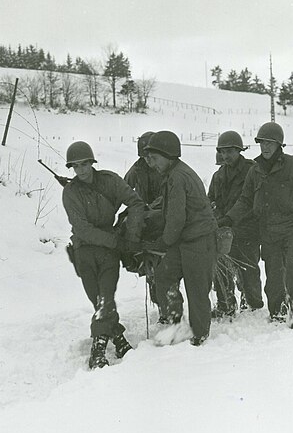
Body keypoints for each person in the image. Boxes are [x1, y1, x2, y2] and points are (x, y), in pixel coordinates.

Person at [221, 122, 293, 327]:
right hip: (268, 231)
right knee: (274, 275)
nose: (266, 147)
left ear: (279, 145)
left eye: (270, 143)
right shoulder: (255, 171)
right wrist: (229, 218)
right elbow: (245, 200)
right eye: (262, 143)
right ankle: (277, 310)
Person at [61, 141, 146, 369]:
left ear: (91, 163)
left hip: (109, 252)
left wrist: (131, 235)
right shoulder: (70, 193)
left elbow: (136, 203)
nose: (81, 170)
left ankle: (98, 350)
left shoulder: (109, 181)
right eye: (76, 166)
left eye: (84, 164)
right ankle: (118, 338)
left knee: (104, 298)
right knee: (96, 298)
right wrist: (117, 241)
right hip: (84, 251)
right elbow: (82, 229)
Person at [142, 130, 217, 346]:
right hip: (185, 240)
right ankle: (176, 323)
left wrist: (163, 242)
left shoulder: (178, 177)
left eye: (155, 159)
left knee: (197, 289)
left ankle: (199, 336)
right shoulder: (172, 175)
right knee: (165, 275)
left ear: (169, 155)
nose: (153, 164)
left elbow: (176, 219)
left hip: (199, 240)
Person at [207, 130, 264, 318]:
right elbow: (211, 200)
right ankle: (226, 305)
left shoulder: (252, 169)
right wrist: (216, 217)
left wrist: (232, 218)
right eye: (222, 152)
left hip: (248, 228)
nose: (225, 156)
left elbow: (255, 200)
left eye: (229, 151)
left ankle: (253, 304)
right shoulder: (218, 176)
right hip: (225, 230)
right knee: (221, 267)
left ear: (239, 150)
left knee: (249, 268)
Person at [124, 131, 167, 322]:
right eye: (143, 156)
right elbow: (123, 188)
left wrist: (156, 206)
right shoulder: (136, 169)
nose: (147, 160)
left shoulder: (164, 168)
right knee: (150, 267)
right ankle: (161, 307)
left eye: (150, 155)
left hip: (163, 221)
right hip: (145, 223)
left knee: (165, 267)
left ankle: (169, 309)